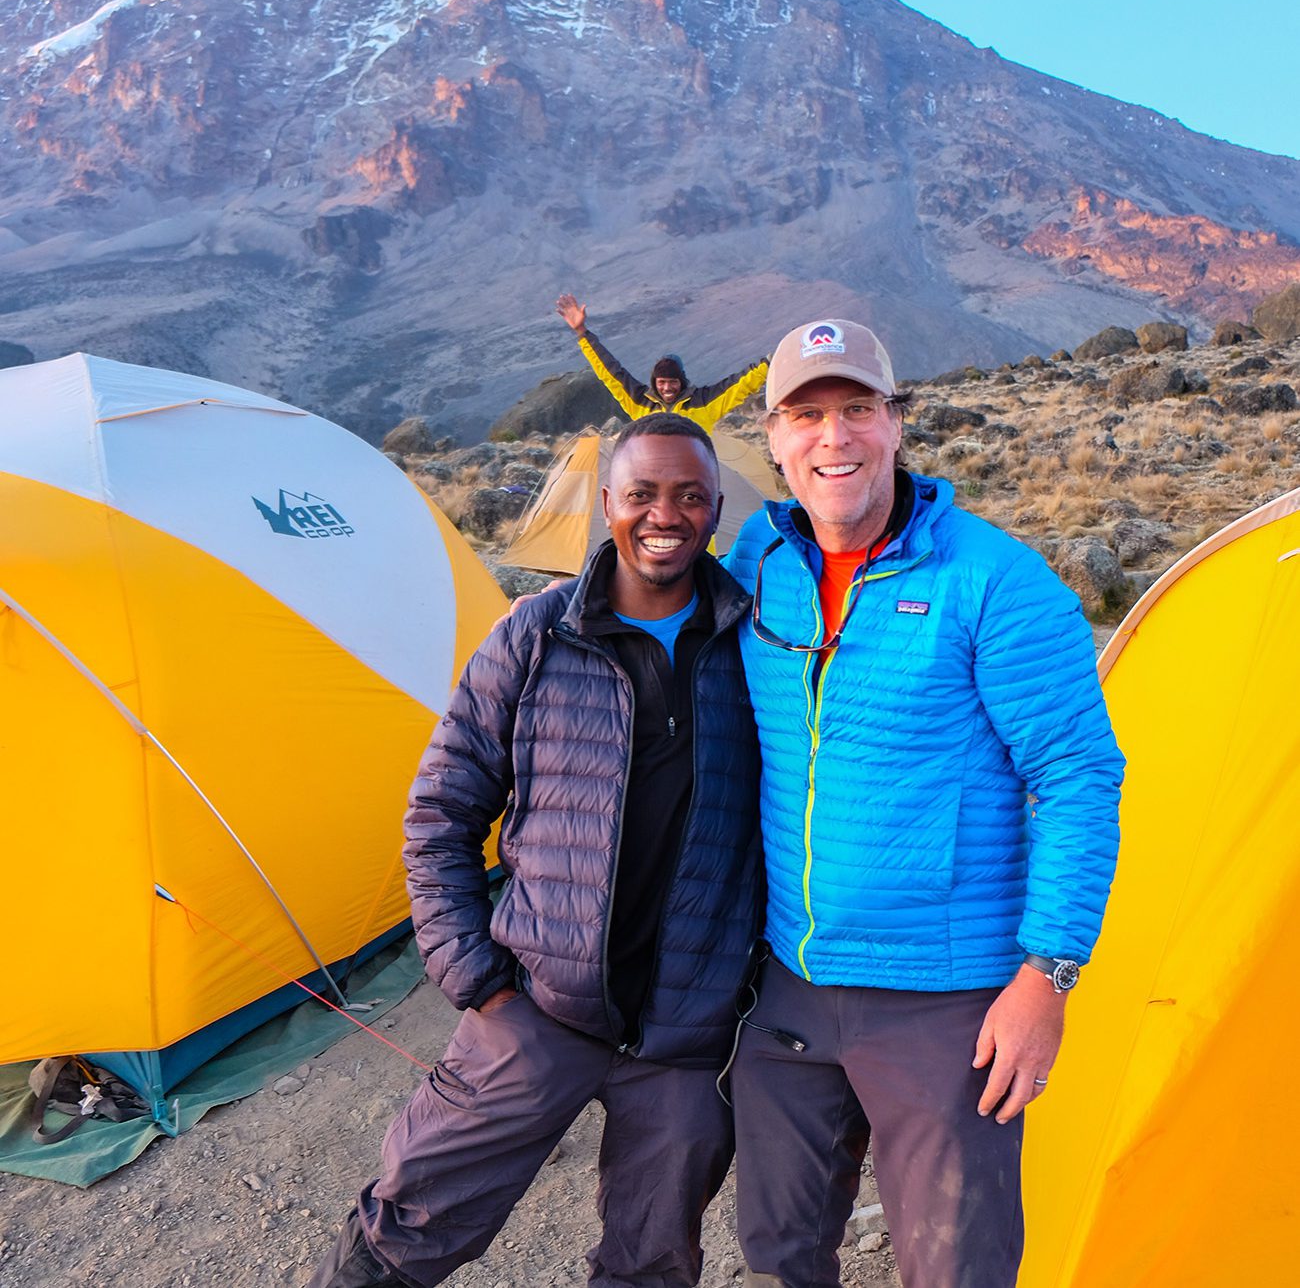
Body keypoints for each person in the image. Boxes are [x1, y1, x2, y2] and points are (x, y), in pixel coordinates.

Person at [307, 413, 763, 1288]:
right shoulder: (536, 635)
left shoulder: (756, 646)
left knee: (653, 1262)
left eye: (689, 496)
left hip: (688, 1034)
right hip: (537, 1006)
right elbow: (441, 811)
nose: (664, 515)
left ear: (715, 511)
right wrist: (474, 976)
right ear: (606, 503)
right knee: (409, 1226)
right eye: (642, 493)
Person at [722, 319, 1125, 1288]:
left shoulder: (994, 580)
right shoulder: (756, 564)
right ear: (772, 438)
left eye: (857, 408)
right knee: (777, 1252)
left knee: (956, 1268)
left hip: (946, 1002)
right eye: (806, 415)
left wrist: (1046, 978)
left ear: (896, 422)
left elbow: (1078, 776)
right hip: (787, 985)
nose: (834, 438)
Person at [556, 293, 768, 430]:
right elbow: (610, 371)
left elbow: (741, 383)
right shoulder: (640, 402)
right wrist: (582, 332)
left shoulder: (704, 402)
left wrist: (769, 364)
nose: (667, 388)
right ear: (654, 382)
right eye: (662, 382)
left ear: (681, 381)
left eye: (672, 382)